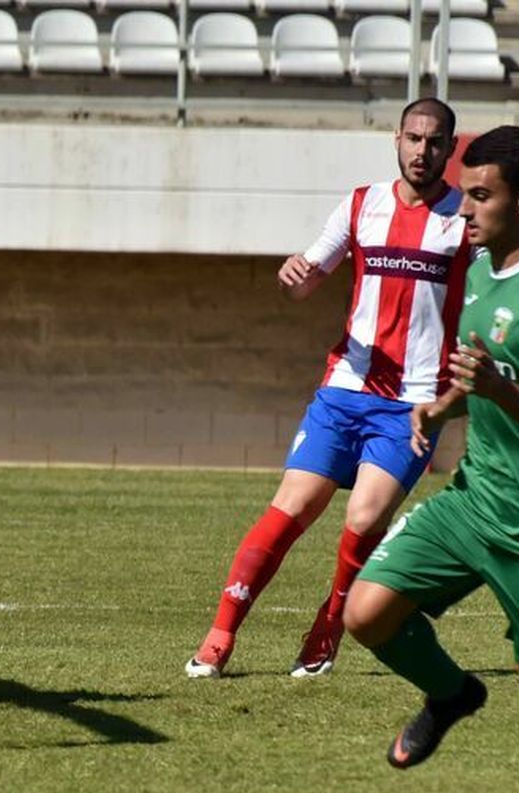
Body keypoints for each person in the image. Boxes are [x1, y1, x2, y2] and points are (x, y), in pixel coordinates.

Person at [344, 126, 519, 793]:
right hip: (474, 499)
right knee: (367, 612)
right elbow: (481, 372)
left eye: (478, 196)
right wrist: (441, 409)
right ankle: (451, 694)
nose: (463, 211)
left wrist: (500, 392)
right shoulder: (480, 278)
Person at [186, 98, 471, 679]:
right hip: (344, 389)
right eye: (413, 138)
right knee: (290, 508)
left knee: (364, 520)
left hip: (413, 405)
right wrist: (294, 276)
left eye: (434, 141)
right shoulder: (362, 204)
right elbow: (307, 279)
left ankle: (327, 630)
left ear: (450, 148)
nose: (422, 151)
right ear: (396, 139)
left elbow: (491, 294)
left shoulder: (465, 219)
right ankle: (219, 636)